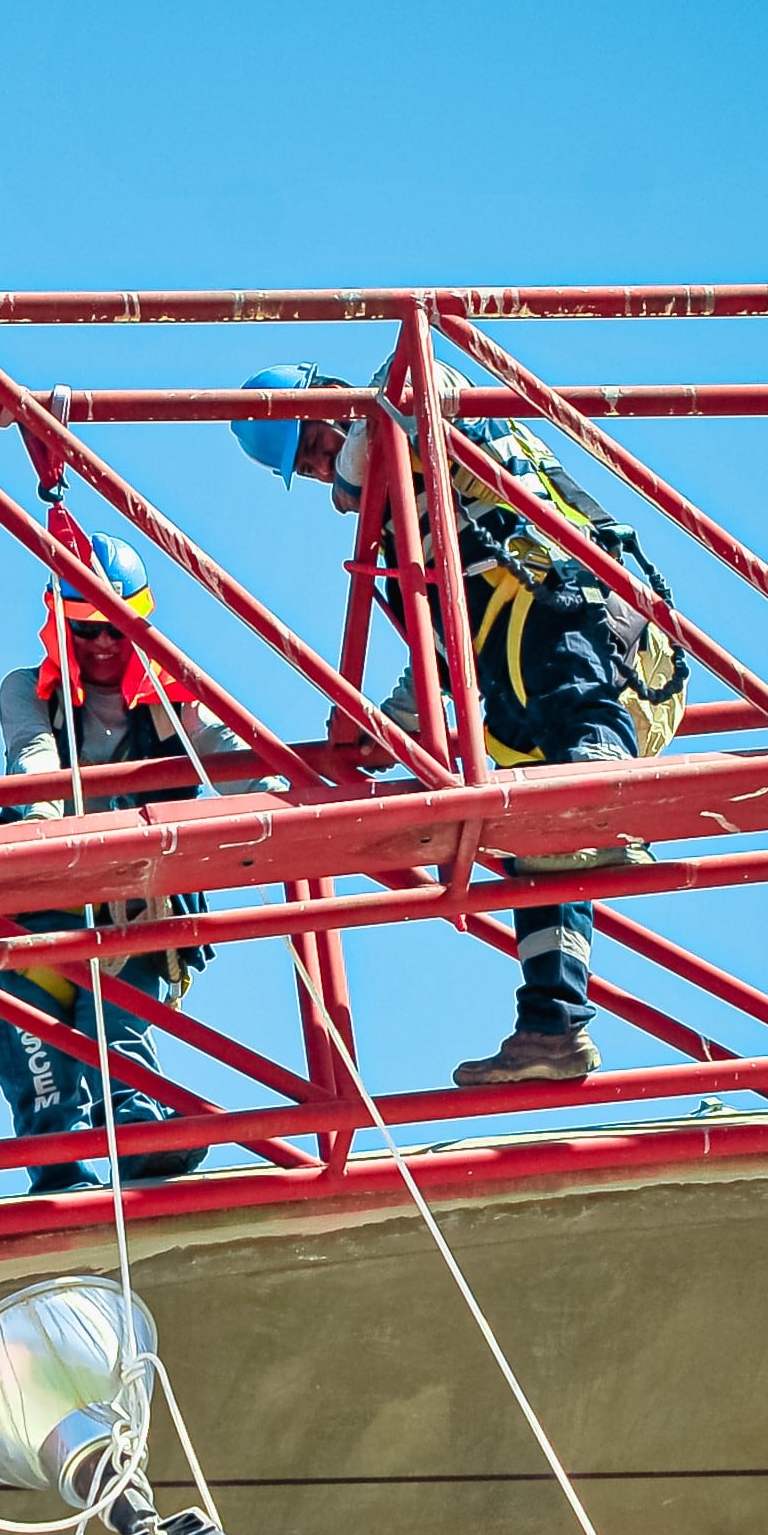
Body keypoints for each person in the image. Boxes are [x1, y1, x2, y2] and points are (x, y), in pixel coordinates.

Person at [231, 362, 685, 1089]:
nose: (324, 474)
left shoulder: (426, 422)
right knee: (535, 850)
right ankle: (551, 1027)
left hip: (576, 612)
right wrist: (389, 727)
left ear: (329, 400)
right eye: (311, 469)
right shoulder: (404, 516)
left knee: (571, 730)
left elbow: (423, 380)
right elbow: (435, 650)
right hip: (519, 685)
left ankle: (606, 812)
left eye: (314, 444)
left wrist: (358, 458)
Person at [0, 533, 280, 1192]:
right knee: (39, 1064)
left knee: (118, 1033)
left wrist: (279, 802)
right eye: (85, 632)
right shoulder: (29, 690)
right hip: (31, 909)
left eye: (115, 629)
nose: (103, 647)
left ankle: (141, 1140)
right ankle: (59, 1181)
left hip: (132, 904)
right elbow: (33, 760)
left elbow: (224, 757)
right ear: (60, 626)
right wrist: (41, 825)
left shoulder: (171, 701)